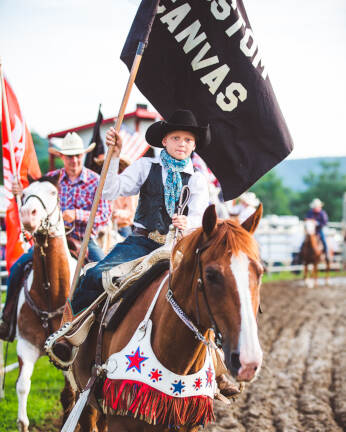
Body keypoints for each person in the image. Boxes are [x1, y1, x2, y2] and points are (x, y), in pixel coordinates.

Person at [52, 109, 211, 360]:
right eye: (177, 138)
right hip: (140, 242)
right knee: (94, 275)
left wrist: (188, 221)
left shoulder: (198, 180)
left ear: (194, 145)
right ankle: (72, 337)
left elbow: (202, 218)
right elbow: (109, 191)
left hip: (177, 246)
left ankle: (215, 360)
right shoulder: (146, 166)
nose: (182, 144)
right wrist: (114, 157)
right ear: (165, 141)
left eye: (188, 140)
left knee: (209, 289)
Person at [0, 132, 111, 340]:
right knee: (16, 268)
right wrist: (20, 192)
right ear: (62, 157)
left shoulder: (95, 180)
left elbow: (104, 214)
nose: (74, 160)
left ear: (82, 155)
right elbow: (32, 200)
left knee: (104, 272)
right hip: (49, 241)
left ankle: (104, 324)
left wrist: (77, 214)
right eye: (69, 156)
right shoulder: (51, 179)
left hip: (83, 240)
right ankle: (7, 319)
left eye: (77, 155)